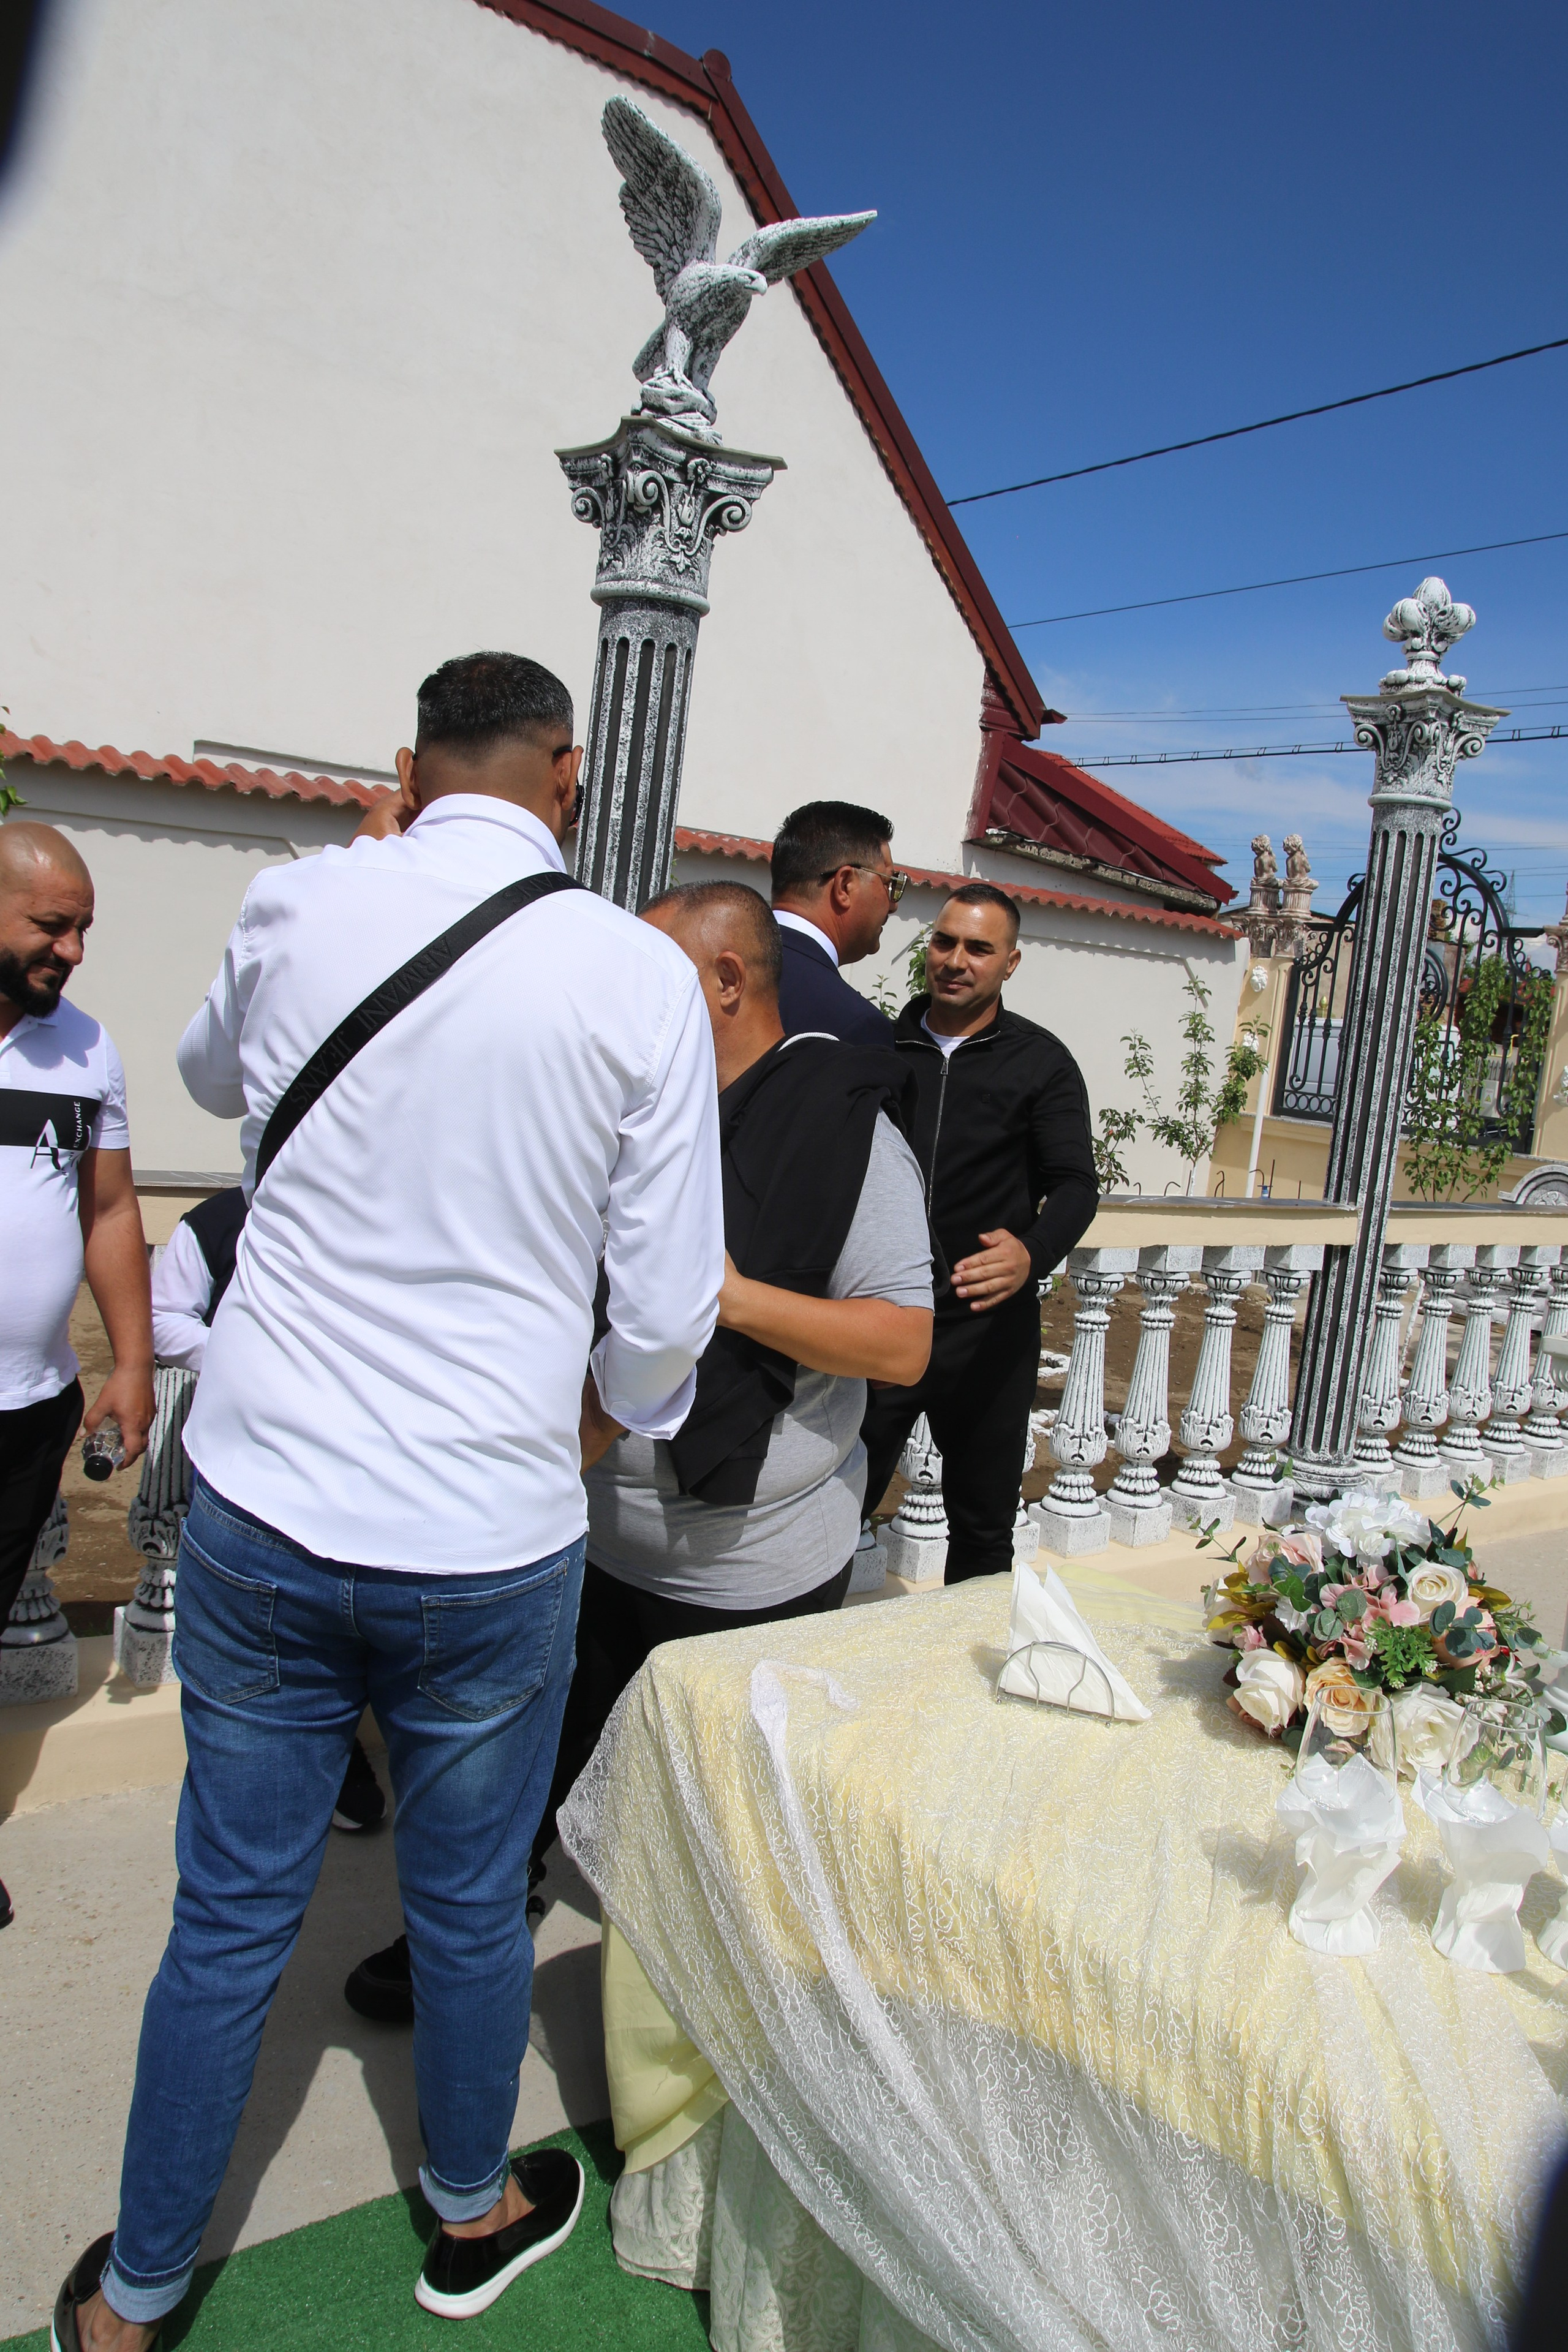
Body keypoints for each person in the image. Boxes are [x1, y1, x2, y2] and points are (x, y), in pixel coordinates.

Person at [50, 652, 724, 2348]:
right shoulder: (635, 974)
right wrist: (599, 1424)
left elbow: (214, 1084)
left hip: (272, 1503)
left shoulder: (302, 901)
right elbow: (665, 1309)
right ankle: (469, 2208)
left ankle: (135, 2296)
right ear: (565, 774)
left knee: (228, 1919)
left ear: (408, 764)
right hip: (490, 1523)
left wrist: (353, 869)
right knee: (470, 1895)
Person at [342, 881, 933, 2025]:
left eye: (648, 974)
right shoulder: (623, 1115)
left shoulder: (844, 1135)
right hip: (577, 1531)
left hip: (745, 1564)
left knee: (710, 1816)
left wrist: (726, 1298)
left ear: (724, 982)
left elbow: (903, 1345)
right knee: (519, 1770)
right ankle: (466, 1935)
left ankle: (680, 2026)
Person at [1, 821, 153, 1934]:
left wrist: (133, 1363)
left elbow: (108, 1212)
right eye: (53, 925)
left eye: (84, 927)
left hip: (28, 1404)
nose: (74, 949)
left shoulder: (86, 1052)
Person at [859, 883, 1098, 1583]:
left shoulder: (1041, 1062)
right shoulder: (877, 1048)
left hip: (987, 1331)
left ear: (1010, 963)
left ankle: (967, 1684)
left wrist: (1032, 1251)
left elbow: (1076, 1185)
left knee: (984, 1529)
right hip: (880, 1318)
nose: (955, 960)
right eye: (943, 941)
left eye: (978, 948)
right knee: (835, 1508)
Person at [150, 1186, 385, 1833]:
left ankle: (342, 1756)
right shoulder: (215, 1221)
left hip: (368, 1475)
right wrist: (249, 1365)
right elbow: (165, 1317)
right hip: (248, 1474)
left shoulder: (374, 1208)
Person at [769, 799, 903, 1045]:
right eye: (889, 884)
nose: (893, 905)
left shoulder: (701, 964)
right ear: (845, 885)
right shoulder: (856, 1026)